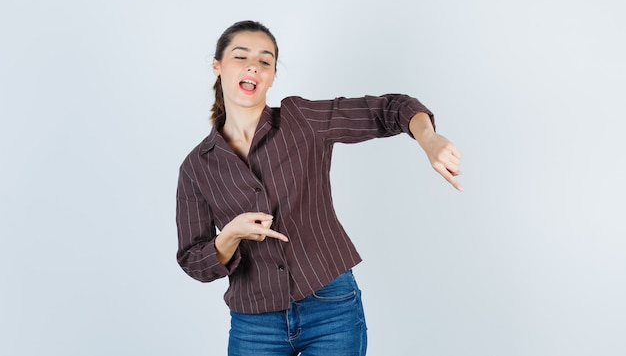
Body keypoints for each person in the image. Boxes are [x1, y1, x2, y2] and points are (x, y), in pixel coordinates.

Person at [175, 20, 463, 356]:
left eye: (265, 61)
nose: (253, 65)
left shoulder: (303, 120)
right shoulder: (196, 167)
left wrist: (428, 138)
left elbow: (391, 108)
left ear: (271, 76)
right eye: (241, 56)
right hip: (254, 324)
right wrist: (231, 235)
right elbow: (194, 260)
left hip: (331, 307)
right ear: (217, 66)